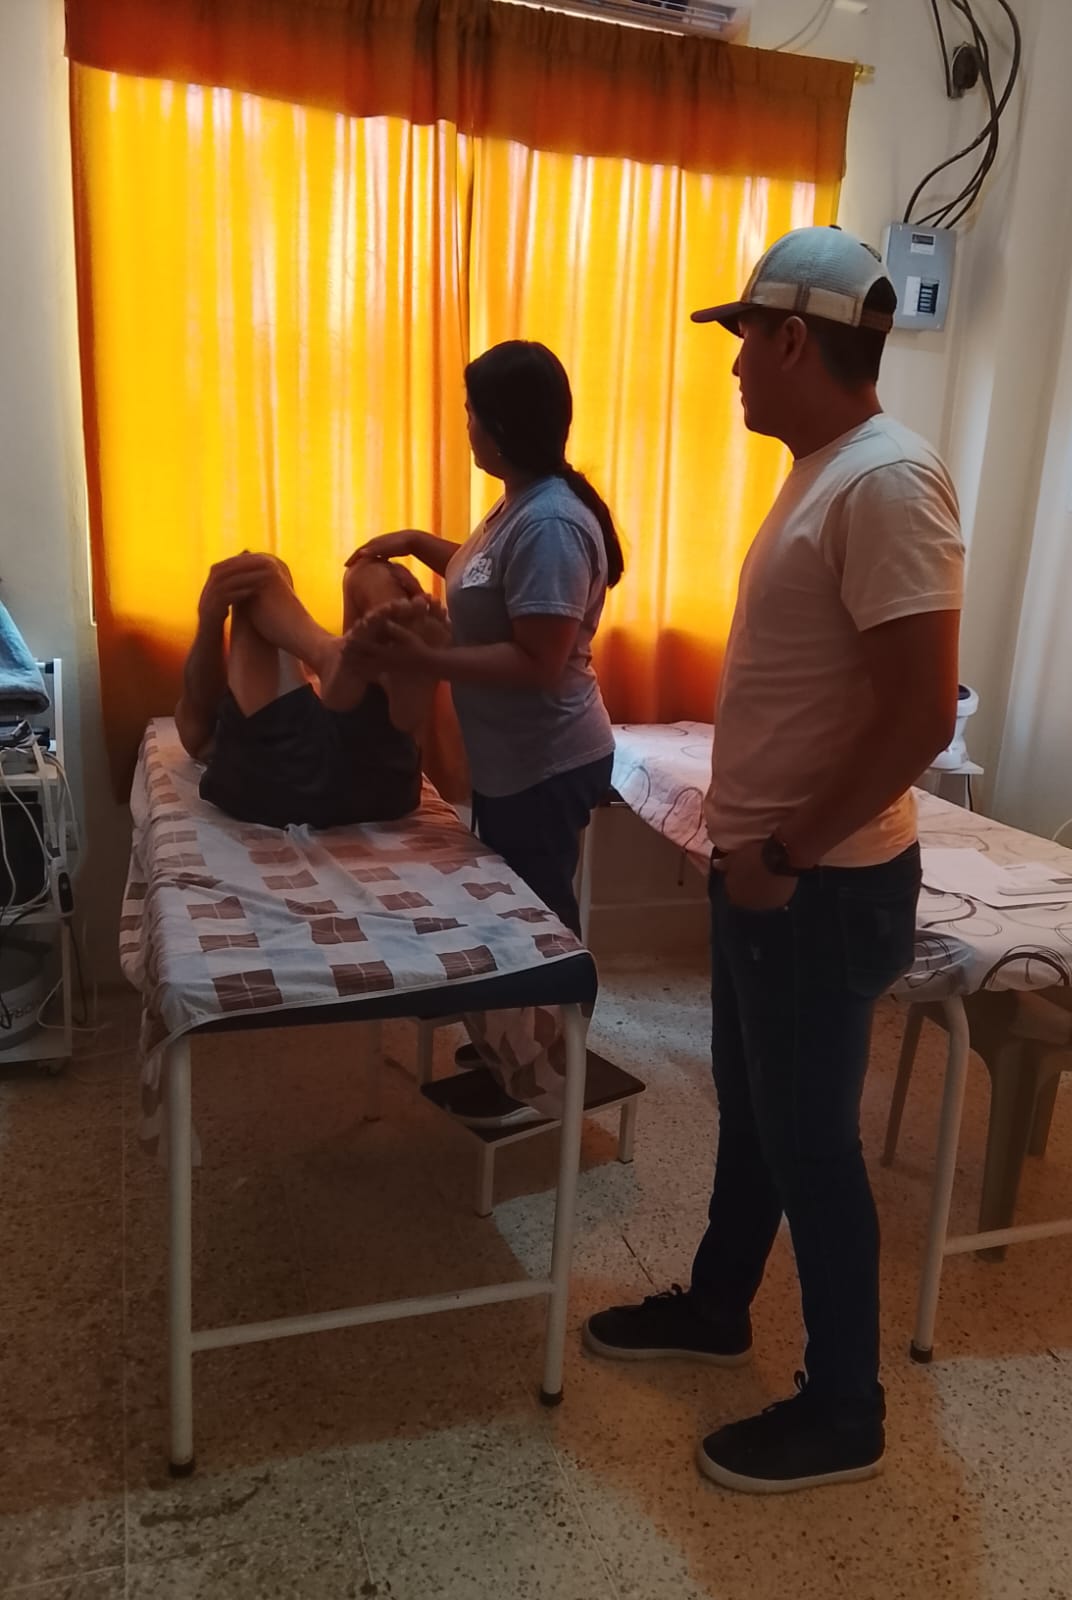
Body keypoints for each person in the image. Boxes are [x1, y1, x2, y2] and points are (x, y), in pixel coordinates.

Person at [582, 227, 965, 1494]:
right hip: (773, 873)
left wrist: (789, 852)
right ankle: (718, 1304)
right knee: (755, 1116)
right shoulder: (826, 474)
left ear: (795, 339)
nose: (735, 365)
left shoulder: (888, 482)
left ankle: (846, 1409)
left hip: (820, 884)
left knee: (811, 1148)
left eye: (744, 340)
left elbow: (920, 715)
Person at [348, 341, 623, 1123]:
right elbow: (481, 579)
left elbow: (538, 661)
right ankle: (518, 1042)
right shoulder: (518, 503)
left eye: (472, 412)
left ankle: (551, 1070)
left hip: (549, 759)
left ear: (501, 424)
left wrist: (427, 660)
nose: (464, 424)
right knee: (514, 907)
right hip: (513, 761)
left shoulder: (552, 523)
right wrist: (417, 542)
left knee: (540, 916)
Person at [175, 550, 447, 829]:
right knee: (260, 573)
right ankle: (400, 653)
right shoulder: (250, 685)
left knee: (366, 570)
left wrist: (209, 620)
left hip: (300, 771)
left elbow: (195, 723)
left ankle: (381, 655)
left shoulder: (323, 683)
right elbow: (196, 732)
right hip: (386, 781)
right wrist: (210, 619)